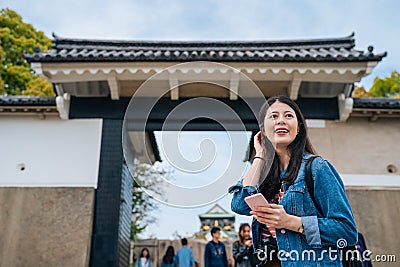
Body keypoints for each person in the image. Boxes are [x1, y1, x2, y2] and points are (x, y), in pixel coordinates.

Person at [229, 95, 358, 267]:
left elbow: (346, 231)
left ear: (298, 128)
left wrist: (291, 222)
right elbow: (239, 204)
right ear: (263, 129)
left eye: (288, 116)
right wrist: (260, 155)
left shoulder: (317, 168)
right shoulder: (266, 177)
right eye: (273, 116)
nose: (281, 121)